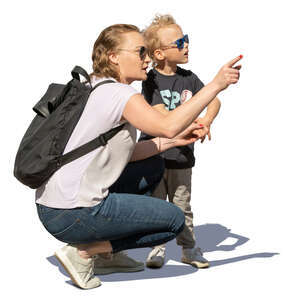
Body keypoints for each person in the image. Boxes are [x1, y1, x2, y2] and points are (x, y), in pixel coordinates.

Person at [35, 23, 242, 289]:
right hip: (73, 214)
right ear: (113, 56)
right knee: (174, 221)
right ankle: (85, 253)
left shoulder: (95, 85)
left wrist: (174, 141)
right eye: (140, 52)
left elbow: (127, 154)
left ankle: (108, 256)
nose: (147, 58)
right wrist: (215, 85)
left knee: (153, 165)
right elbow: (167, 124)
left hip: (54, 208)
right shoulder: (120, 94)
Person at [139, 14, 223, 269]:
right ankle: (156, 248)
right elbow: (161, 113)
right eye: (180, 42)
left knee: (182, 206)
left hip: (182, 157)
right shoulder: (150, 80)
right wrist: (193, 123)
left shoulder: (190, 78)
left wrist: (206, 121)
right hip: (155, 155)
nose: (186, 45)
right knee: (155, 207)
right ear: (159, 53)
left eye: (186, 39)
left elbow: (214, 99)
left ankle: (188, 248)